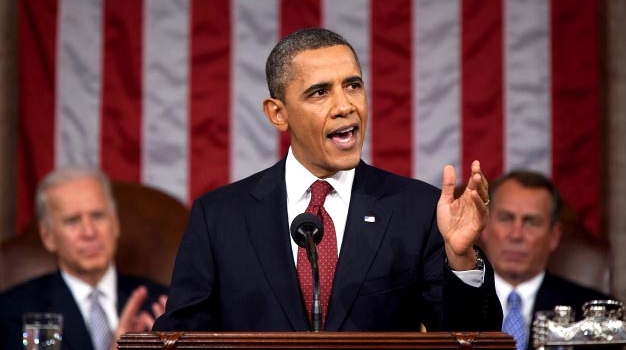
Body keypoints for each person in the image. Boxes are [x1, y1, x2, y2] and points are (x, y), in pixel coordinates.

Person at [153, 27, 502, 332]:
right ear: (278, 113)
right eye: (320, 92)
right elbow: (182, 336)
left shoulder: (417, 210)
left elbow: (471, 339)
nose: (344, 106)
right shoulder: (219, 217)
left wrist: (461, 260)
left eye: (353, 85)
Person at [0, 166, 168, 350]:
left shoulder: (160, 305)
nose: (89, 232)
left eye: (98, 216)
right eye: (72, 220)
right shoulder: (15, 310)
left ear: (115, 224)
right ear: (48, 236)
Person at [480, 170, 611, 350]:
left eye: (531, 222)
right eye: (505, 218)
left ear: (554, 237)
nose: (516, 235)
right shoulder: (449, 306)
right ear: (485, 227)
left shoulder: (596, 319)